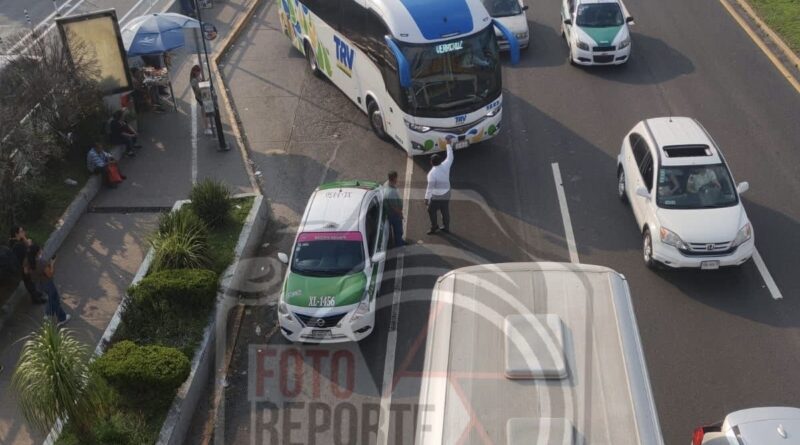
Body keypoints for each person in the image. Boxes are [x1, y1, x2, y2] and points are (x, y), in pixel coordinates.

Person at [27, 244, 70, 326]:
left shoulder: (29, 262)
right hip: (47, 284)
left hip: (39, 285)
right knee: (55, 300)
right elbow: (50, 274)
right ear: (37, 252)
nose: (41, 250)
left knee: (53, 298)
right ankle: (61, 318)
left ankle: (48, 314)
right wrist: (52, 263)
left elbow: (27, 271)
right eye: (40, 250)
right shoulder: (41, 263)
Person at [7, 227, 46, 304]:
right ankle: (35, 299)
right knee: (29, 282)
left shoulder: (16, 241)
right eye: (21, 231)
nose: (23, 232)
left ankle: (36, 294)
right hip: (23, 267)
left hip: (24, 265)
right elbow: (28, 250)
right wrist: (27, 242)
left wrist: (24, 239)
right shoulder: (17, 244)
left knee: (30, 281)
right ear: (16, 234)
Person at [425, 143, 454, 235]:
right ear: (440, 161)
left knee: (431, 210)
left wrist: (426, 198)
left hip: (437, 197)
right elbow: (450, 156)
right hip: (447, 193)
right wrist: (448, 144)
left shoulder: (431, 174)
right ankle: (446, 227)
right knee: (445, 210)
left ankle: (434, 226)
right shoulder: (446, 164)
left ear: (431, 162)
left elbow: (430, 188)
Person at [190, 65, 213, 136]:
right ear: (194, 71)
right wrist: (203, 84)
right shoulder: (193, 80)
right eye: (198, 71)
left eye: (199, 71)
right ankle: (206, 128)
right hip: (200, 97)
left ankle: (208, 125)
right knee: (205, 112)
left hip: (203, 96)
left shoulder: (197, 77)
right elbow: (198, 90)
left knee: (205, 111)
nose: (199, 73)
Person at [384, 171, 405, 247]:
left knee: (394, 231)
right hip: (394, 215)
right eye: (396, 178)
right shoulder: (391, 192)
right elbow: (394, 207)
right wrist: (400, 214)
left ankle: (399, 241)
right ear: (394, 178)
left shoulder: (386, 184)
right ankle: (399, 245)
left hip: (389, 213)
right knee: (398, 231)